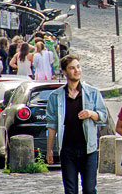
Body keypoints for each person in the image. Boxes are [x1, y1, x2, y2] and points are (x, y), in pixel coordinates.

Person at [46, 55, 108, 194]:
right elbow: (52, 125)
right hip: (67, 149)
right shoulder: (56, 96)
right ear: (64, 72)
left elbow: (103, 116)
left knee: (90, 189)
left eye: (78, 67)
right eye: (72, 68)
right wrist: (50, 150)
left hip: (88, 148)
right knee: (70, 190)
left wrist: (91, 114)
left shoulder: (92, 93)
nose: (76, 71)